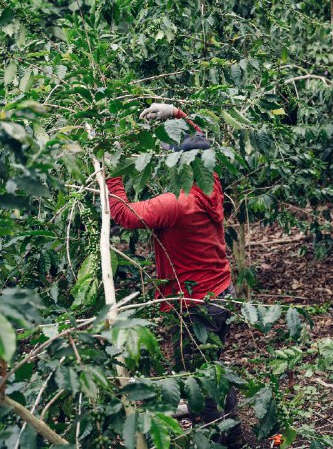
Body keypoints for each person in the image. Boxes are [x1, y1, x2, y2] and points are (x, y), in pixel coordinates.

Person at [107, 102, 243, 447]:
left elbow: (124, 214)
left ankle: (226, 437)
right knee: (208, 363)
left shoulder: (175, 203)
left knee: (202, 372)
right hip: (221, 292)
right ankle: (206, 411)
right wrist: (176, 114)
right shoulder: (209, 183)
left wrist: (112, 172)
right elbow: (201, 140)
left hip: (197, 303)